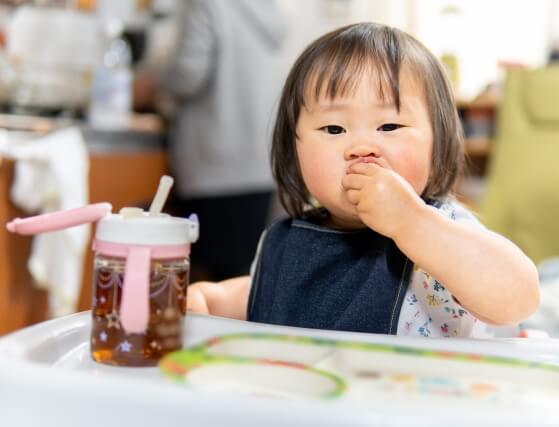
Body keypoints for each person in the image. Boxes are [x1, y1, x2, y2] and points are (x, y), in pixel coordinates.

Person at [187, 22, 540, 337]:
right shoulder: (285, 241)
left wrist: (411, 222)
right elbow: (265, 295)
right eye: (334, 128)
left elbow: (519, 297)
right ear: (293, 148)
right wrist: (207, 299)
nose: (361, 147)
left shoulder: (441, 232)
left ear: (438, 141)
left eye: (389, 126)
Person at [134, 0, 288, 282]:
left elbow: (187, 73)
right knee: (241, 278)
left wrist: (151, 83)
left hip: (214, 164)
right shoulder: (268, 10)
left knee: (207, 286)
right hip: (259, 164)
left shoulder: (206, 3)